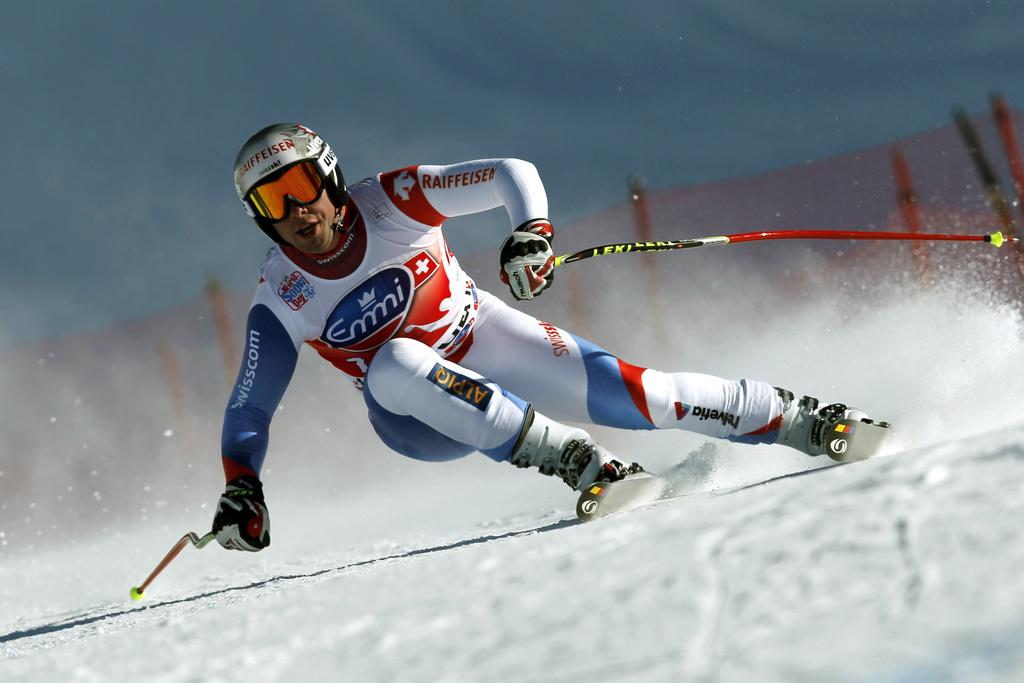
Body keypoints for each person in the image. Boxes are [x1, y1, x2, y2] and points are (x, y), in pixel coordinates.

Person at [212, 123, 873, 551]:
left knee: (645, 397)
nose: (297, 211)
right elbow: (249, 406)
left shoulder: (393, 199)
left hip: (483, 335)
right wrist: (243, 485)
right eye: (273, 202)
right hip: (415, 416)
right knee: (394, 361)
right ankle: (577, 460)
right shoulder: (282, 294)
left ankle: (801, 419)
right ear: (261, 221)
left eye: (300, 186)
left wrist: (533, 231)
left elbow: (509, 171)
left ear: (327, 177)